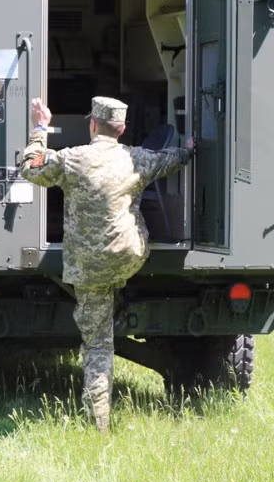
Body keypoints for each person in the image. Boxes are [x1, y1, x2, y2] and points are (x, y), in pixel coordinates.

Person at [19, 97, 193, 431]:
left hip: (88, 268)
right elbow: (171, 160)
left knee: (98, 343)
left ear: (92, 125)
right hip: (129, 258)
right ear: (123, 128)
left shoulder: (73, 159)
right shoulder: (136, 158)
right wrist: (189, 148)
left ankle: (99, 424)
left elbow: (31, 168)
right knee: (133, 220)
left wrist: (40, 128)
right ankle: (121, 289)